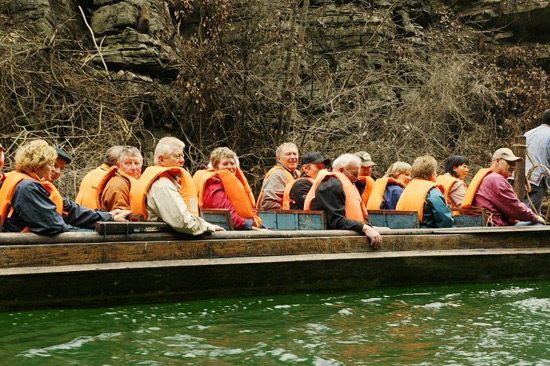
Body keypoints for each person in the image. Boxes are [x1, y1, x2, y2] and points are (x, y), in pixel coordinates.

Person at [0, 140, 130, 234]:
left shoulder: (29, 183)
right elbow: (54, 227)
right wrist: (93, 233)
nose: (53, 169)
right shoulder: (28, 187)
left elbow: (70, 209)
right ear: (36, 165)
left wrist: (108, 217)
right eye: (50, 164)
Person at [130, 137, 224, 234]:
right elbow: (181, 222)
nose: (182, 160)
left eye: (182, 156)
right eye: (177, 156)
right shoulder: (162, 185)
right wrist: (208, 227)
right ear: (161, 159)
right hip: (161, 241)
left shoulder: (169, 181)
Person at [304, 153, 382, 249]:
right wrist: (364, 228)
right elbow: (335, 220)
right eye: (354, 174)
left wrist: (368, 226)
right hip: (333, 243)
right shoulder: (331, 185)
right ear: (341, 170)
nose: (357, 178)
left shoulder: (347, 184)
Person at [463, 148, 545, 226]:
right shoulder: (496, 179)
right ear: (498, 161)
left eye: (514, 164)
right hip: (493, 224)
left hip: (484, 221)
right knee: (538, 224)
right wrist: (535, 217)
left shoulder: (488, 177)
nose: (514, 167)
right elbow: (515, 207)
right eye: (510, 163)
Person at [193, 147, 261, 230]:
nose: (230, 167)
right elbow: (230, 217)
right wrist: (251, 225)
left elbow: (251, 210)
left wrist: (258, 224)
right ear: (215, 167)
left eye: (232, 163)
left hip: (241, 228)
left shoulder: (231, 184)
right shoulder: (212, 187)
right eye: (225, 164)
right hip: (229, 232)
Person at [396, 155, 453, 228]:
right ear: (431, 173)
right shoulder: (431, 192)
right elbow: (445, 222)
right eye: (435, 171)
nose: (436, 174)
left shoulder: (407, 188)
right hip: (426, 234)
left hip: (406, 231)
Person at [257, 142, 299, 211]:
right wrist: (288, 216)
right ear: (279, 159)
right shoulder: (278, 174)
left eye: (295, 154)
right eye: (288, 154)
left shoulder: (297, 174)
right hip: (282, 219)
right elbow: (269, 204)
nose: (293, 157)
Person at [523, 109, 550, 214]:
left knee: (519, 210)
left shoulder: (528, 133)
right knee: (529, 214)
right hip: (536, 179)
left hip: (517, 178)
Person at [100, 147, 142, 211]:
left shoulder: (135, 181)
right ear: (118, 165)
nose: (133, 168)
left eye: (136, 163)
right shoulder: (117, 186)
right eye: (128, 163)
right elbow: (120, 217)